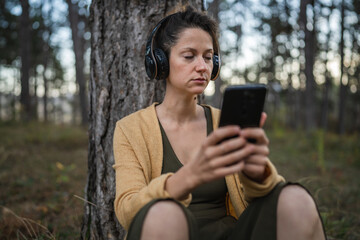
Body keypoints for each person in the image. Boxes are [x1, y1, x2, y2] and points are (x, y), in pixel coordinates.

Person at [113, 5, 326, 240]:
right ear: (160, 61)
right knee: (164, 213)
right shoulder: (130, 129)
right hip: (168, 231)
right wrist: (188, 177)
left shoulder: (223, 121)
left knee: (295, 198)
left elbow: (259, 199)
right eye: (189, 56)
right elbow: (127, 211)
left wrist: (256, 174)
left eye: (208, 57)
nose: (202, 67)